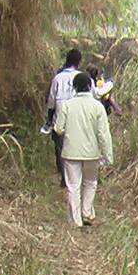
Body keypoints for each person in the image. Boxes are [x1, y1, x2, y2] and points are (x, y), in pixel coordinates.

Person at [52, 71, 114, 228]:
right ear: (89, 86)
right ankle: (87, 213)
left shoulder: (67, 105)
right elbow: (103, 134)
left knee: (73, 186)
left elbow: (59, 129)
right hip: (92, 153)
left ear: (74, 87)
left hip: (71, 152)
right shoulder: (98, 107)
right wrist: (108, 155)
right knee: (90, 183)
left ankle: (76, 221)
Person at [44, 48, 83, 186]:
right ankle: (75, 175)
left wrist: (49, 119)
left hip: (60, 113)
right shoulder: (82, 77)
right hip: (77, 115)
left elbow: (51, 100)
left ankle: (64, 177)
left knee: (60, 146)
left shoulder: (57, 78)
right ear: (79, 61)